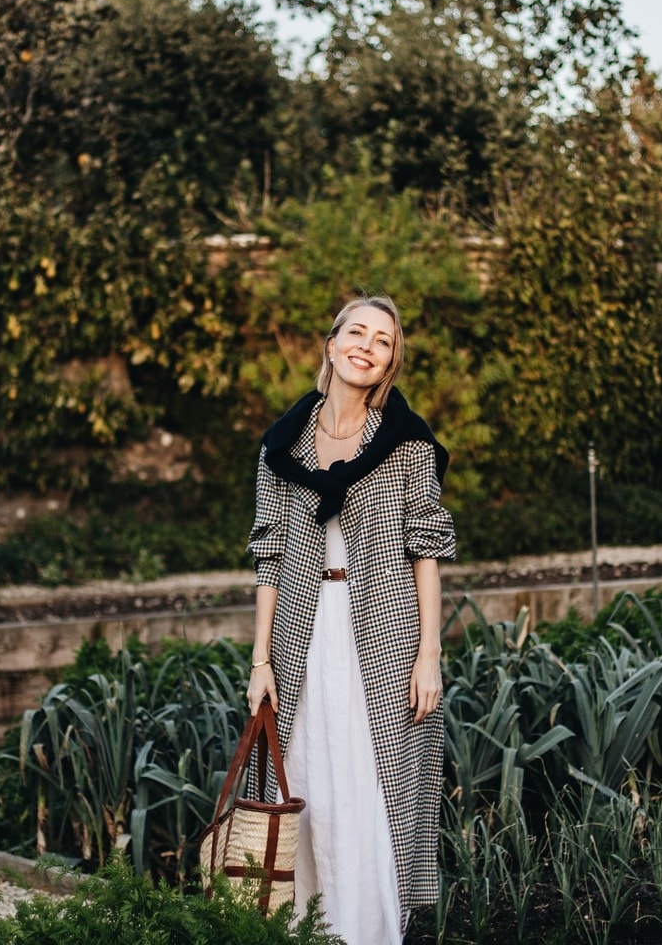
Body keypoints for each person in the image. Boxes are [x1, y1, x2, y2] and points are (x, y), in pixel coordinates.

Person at [245, 295, 456, 944]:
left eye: (383, 340)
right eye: (356, 332)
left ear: (391, 361)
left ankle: (367, 931)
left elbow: (426, 550)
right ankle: (303, 929)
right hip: (300, 637)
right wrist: (259, 661)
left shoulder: (408, 444)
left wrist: (429, 655)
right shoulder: (282, 445)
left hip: (383, 634)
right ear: (332, 344)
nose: (367, 345)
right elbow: (269, 553)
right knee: (304, 779)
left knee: (372, 787)